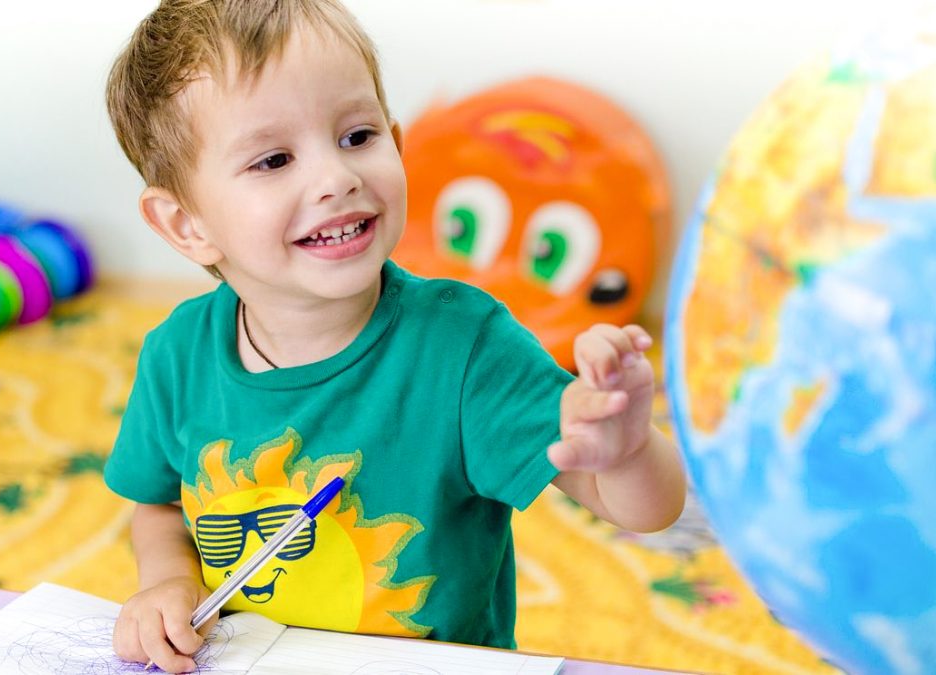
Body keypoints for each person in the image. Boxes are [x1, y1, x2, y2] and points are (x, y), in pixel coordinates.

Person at [102, 1, 687, 671]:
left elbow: (648, 509)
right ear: (184, 224)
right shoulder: (176, 355)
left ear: (398, 144)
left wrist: (626, 450)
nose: (336, 177)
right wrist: (166, 579)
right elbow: (156, 503)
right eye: (273, 159)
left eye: (357, 136)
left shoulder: (466, 347)